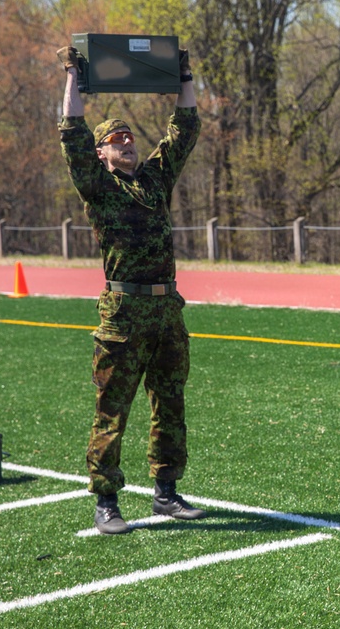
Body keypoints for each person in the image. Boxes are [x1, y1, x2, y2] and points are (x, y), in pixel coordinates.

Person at [56, 45, 206, 535]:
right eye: (115, 139)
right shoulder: (99, 188)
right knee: (112, 408)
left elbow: (184, 131)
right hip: (123, 311)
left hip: (166, 308)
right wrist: (74, 76)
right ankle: (106, 499)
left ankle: (166, 491)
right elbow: (71, 134)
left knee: (171, 400)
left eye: (129, 136)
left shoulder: (154, 181)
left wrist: (183, 74)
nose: (126, 141)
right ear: (102, 153)